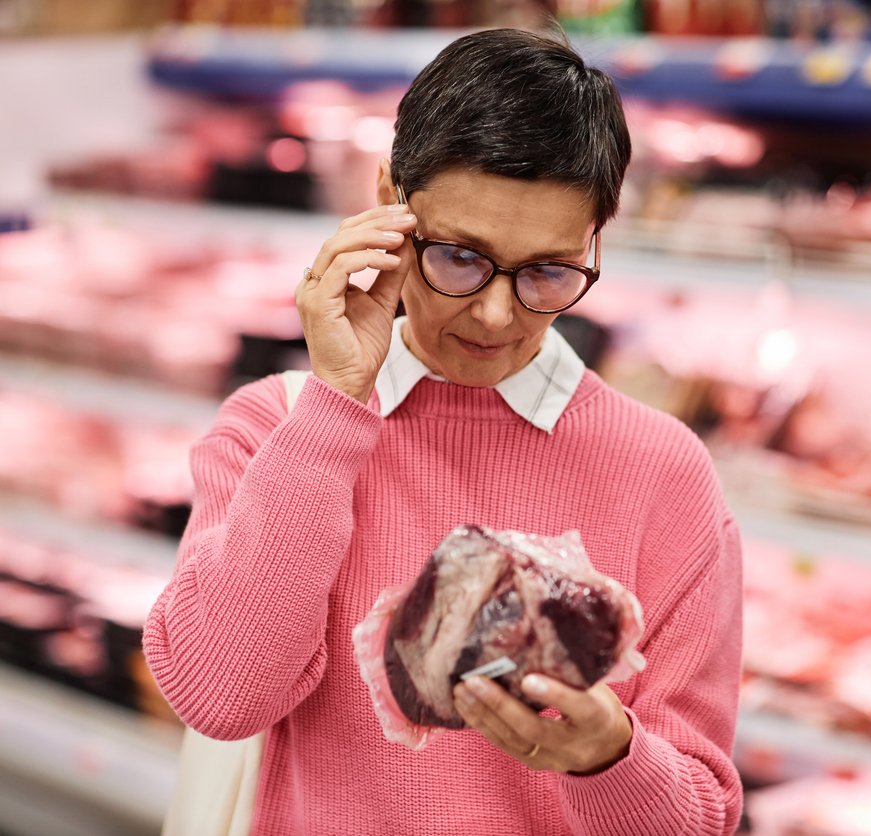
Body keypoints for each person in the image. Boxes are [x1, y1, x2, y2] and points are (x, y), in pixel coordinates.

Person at [143, 27, 743, 836]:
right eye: (460, 257)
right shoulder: (276, 427)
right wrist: (337, 405)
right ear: (390, 197)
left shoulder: (662, 472)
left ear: (597, 237)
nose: (497, 314)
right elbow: (221, 696)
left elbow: (701, 815)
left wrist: (609, 755)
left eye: (547, 272)